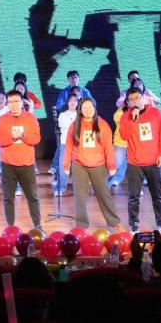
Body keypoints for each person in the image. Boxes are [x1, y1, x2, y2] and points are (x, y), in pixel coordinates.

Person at [63, 98, 122, 230]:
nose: (88, 110)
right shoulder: (75, 125)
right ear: (80, 110)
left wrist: (111, 165)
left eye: (90, 107)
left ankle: (114, 222)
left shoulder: (102, 125)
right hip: (79, 165)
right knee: (80, 197)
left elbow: (108, 147)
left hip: (98, 165)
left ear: (95, 108)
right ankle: (81, 226)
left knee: (104, 194)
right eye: (85, 108)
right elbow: (69, 145)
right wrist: (66, 164)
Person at [0, 90, 44, 232]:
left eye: (16, 101)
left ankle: (37, 225)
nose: (13, 105)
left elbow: (36, 139)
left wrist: (23, 135)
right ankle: (10, 227)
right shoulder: (2, 119)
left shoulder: (31, 118)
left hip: (27, 164)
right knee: (8, 198)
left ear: (22, 102)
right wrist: (12, 137)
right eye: (10, 102)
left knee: (32, 197)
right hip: (8, 165)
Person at [119, 87, 161, 232]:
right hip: (134, 163)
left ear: (143, 98)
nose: (135, 101)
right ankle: (134, 225)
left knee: (157, 196)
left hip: (153, 162)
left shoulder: (155, 113)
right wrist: (132, 119)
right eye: (131, 99)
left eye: (138, 98)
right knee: (133, 197)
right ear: (128, 103)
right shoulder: (125, 117)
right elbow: (124, 136)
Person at [53, 93, 78, 196]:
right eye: (71, 101)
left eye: (75, 101)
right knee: (63, 168)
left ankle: (79, 189)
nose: (73, 103)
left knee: (78, 168)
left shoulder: (80, 115)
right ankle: (60, 188)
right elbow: (64, 126)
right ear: (67, 102)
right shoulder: (63, 115)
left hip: (77, 145)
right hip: (65, 144)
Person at [109, 103, 128, 188]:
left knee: (135, 166)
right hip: (121, 142)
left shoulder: (140, 110)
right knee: (116, 164)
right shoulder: (120, 111)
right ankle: (106, 184)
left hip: (134, 143)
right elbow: (116, 119)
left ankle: (138, 186)